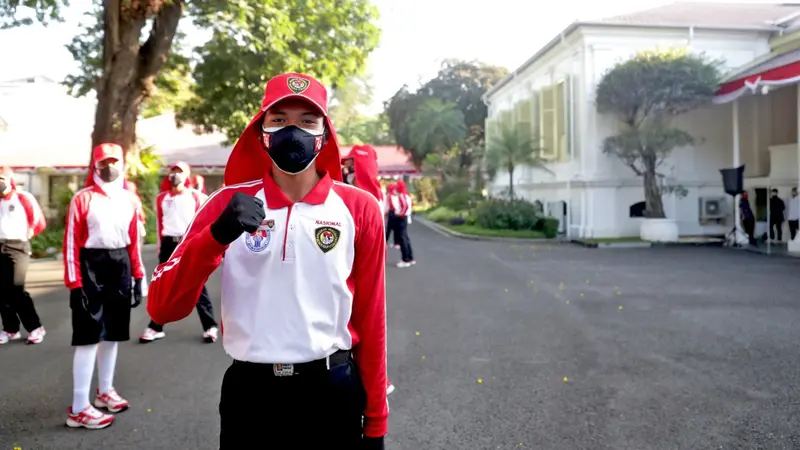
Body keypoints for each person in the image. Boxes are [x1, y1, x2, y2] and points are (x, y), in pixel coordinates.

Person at [147, 73, 388, 449]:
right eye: (279, 121)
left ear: (325, 133)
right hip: (252, 396)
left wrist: (376, 424)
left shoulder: (359, 208)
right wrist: (214, 238)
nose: (294, 132)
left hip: (333, 390)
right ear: (260, 131)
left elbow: (372, 320)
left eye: (308, 121)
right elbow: (162, 307)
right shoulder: (225, 203)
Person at [64, 143, 144, 429]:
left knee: (112, 334)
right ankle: (78, 408)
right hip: (90, 268)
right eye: (102, 162)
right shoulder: (82, 199)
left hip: (120, 265)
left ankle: (104, 391)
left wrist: (138, 277)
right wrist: (74, 283)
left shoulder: (129, 199)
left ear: (122, 163)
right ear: (94, 166)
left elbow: (134, 240)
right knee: (87, 337)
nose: (108, 167)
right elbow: (71, 242)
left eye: (113, 161)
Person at [139, 161, 218, 344]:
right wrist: (160, 247)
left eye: (179, 172)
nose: (175, 175)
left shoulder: (197, 197)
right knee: (163, 287)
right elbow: (160, 224)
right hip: (168, 244)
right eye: (172, 171)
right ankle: (155, 327)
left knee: (196, 285)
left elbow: (206, 222)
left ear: (187, 175)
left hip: (188, 244)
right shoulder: (162, 199)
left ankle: (209, 326)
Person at [342, 145, 396, 396]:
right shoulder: (348, 182)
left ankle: (376, 380)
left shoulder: (370, 192)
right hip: (342, 254)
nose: (347, 166)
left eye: (351, 162)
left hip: (361, 253)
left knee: (365, 315)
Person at [0, 166, 47, 345]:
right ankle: (10, 329)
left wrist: (25, 236)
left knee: (16, 288)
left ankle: (35, 327)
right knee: (2, 291)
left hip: (18, 246)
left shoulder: (23, 198)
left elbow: (39, 222)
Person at [388, 180, 415, 267]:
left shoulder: (402, 195)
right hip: (405, 218)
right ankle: (410, 258)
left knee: (402, 239)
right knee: (406, 239)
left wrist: (400, 214)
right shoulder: (406, 194)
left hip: (401, 219)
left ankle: (405, 259)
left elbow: (405, 206)